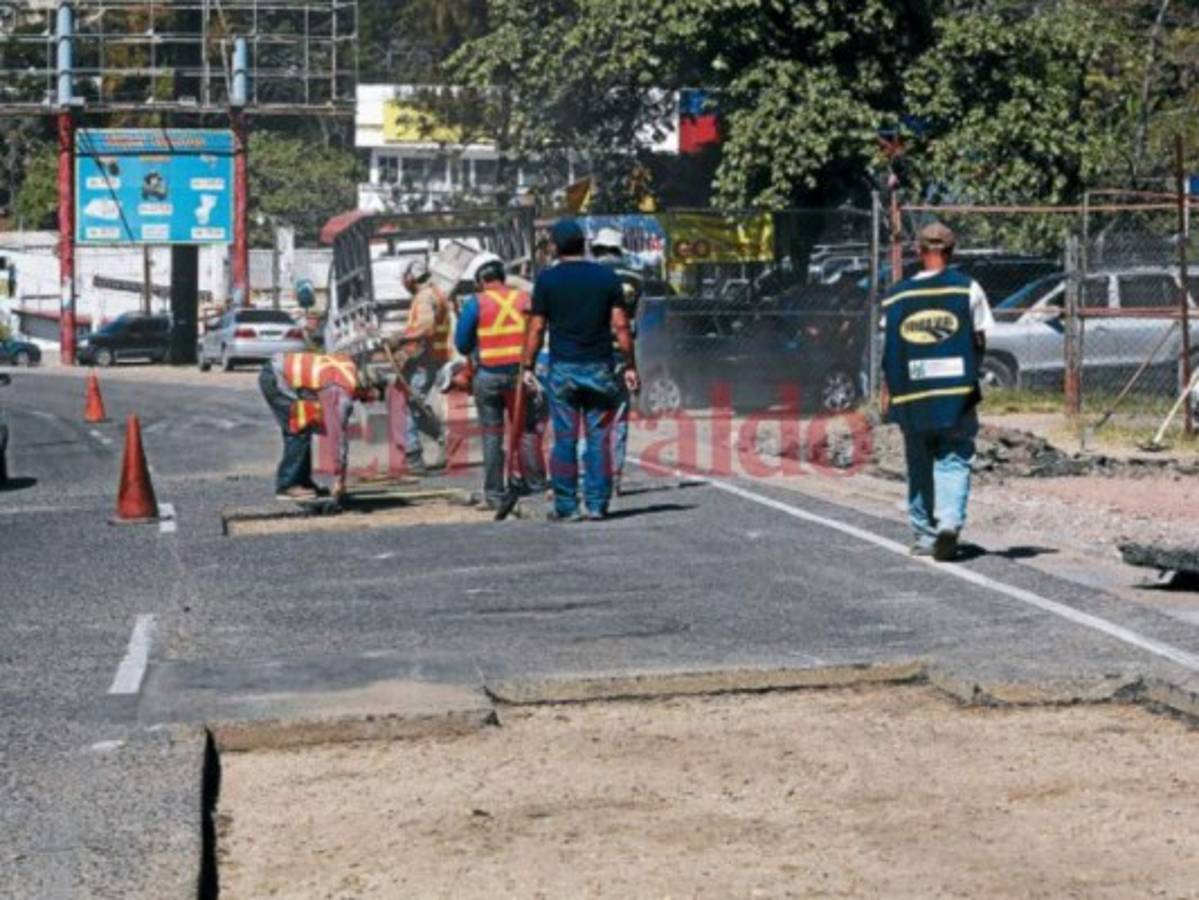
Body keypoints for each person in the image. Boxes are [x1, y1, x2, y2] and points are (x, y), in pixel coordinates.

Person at [882, 222, 994, 561]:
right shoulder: (967, 289)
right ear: (952, 251)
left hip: (912, 396)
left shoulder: (898, 295)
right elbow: (979, 338)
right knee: (954, 457)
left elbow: (889, 350)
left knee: (919, 462)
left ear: (919, 251)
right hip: (956, 394)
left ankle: (924, 535)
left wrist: (888, 393)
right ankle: (949, 523)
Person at [521, 219, 640, 521]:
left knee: (565, 439)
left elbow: (536, 328)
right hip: (600, 367)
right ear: (584, 244)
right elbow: (621, 326)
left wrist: (527, 365)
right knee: (599, 438)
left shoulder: (547, 281)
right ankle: (598, 504)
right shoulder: (606, 278)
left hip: (563, 370)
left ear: (555, 247)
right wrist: (630, 365)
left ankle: (566, 506)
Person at [454, 254, 547, 509]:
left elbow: (462, 343)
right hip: (520, 374)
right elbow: (538, 330)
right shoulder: (523, 298)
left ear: (481, 279)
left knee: (492, 434)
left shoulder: (476, 302)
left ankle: (494, 493)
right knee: (526, 430)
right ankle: (536, 485)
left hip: (490, 376)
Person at [258, 351, 378, 501]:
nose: (362, 401)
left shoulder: (347, 367)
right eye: (365, 397)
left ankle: (302, 481)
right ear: (363, 387)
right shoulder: (340, 391)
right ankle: (287, 485)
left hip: (280, 370)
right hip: (277, 378)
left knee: (305, 425)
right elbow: (337, 437)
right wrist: (339, 479)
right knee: (299, 429)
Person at [590, 226, 641, 495]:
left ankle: (589, 476)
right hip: (623, 353)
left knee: (591, 419)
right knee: (619, 418)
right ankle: (616, 477)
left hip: (592, 353)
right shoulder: (635, 278)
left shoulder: (589, 275)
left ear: (597, 249)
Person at [396, 258, 453, 473]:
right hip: (432, 358)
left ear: (410, 278)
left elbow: (426, 328)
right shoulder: (437, 293)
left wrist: (400, 337)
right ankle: (444, 439)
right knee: (416, 405)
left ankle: (413, 456)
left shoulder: (423, 296)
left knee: (411, 404)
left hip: (425, 360)